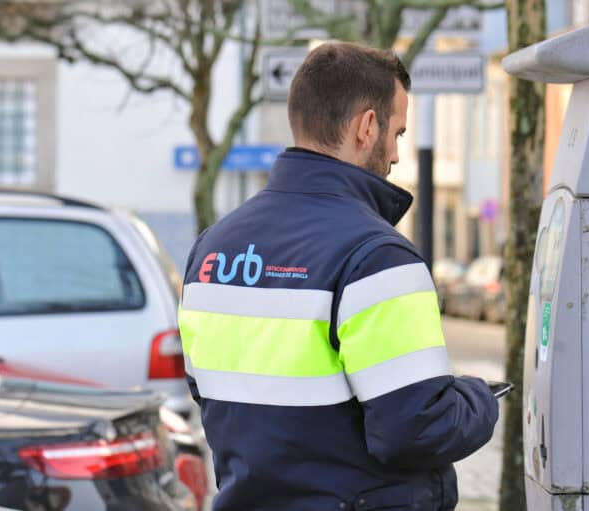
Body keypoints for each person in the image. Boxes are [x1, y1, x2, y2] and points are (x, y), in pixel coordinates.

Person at [178, 41, 499, 511]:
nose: (393, 153)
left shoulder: (211, 249)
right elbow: (416, 429)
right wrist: (477, 398)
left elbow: (208, 390)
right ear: (367, 127)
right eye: (398, 133)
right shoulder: (377, 256)